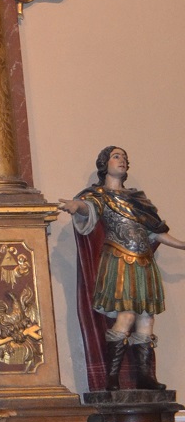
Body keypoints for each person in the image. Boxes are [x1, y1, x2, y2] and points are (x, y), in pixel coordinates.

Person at [58, 145, 184, 393]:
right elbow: (88, 207)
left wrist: (182, 245)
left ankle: (145, 377)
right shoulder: (100, 195)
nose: (122, 160)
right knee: (126, 316)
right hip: (119, 259)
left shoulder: (138, 200)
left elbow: (155, 232)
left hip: (144, 262)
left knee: (146, 318)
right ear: (104, 164)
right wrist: (76, 205)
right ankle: (112, 377)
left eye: (125, 157)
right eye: (116, 156)